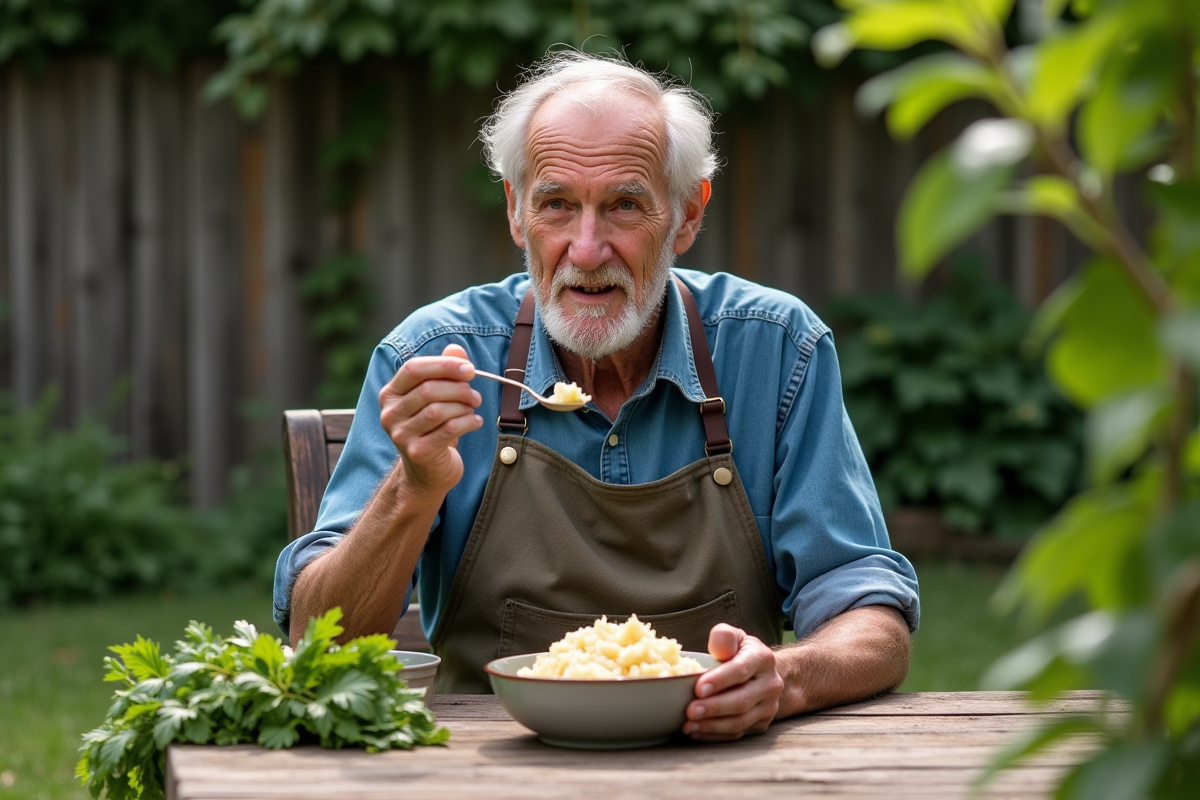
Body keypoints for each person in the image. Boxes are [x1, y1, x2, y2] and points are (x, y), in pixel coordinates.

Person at [275, 52, 919, 742]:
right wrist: (414, 486)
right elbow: (320, 643)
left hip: (725, 763)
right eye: (557, 204)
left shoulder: (776, 348)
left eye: (624, 205)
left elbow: (871, 616)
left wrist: (784, 679)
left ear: (686, 215)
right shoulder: (435, 356)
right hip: (481, 765)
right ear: (516, 212)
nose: (586, 249)